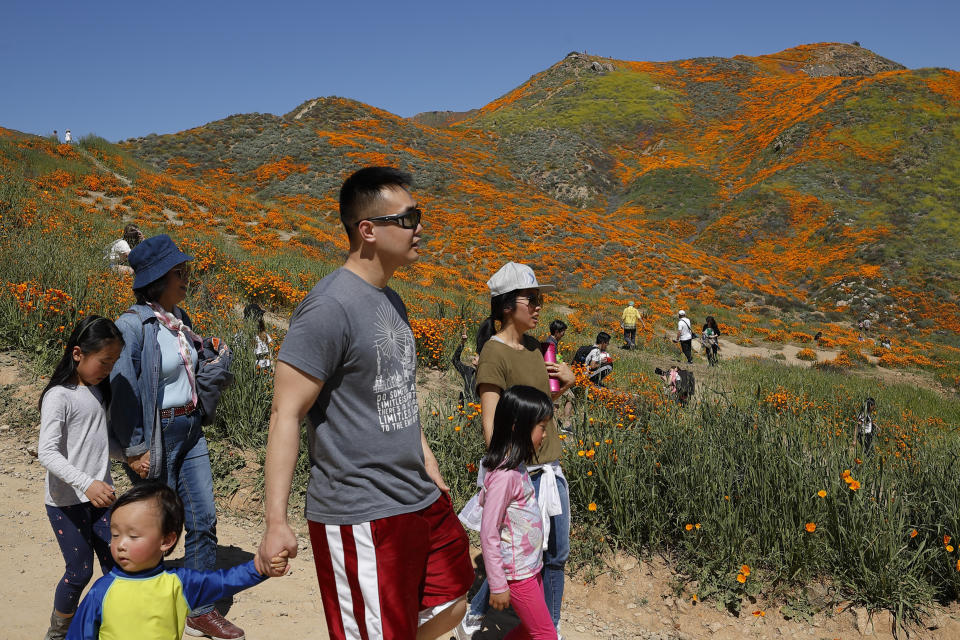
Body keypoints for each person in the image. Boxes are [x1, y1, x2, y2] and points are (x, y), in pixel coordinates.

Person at [256, 167, 474, 640]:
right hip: (362, 510)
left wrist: (428, 464)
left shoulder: (390, 300)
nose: (420, 227)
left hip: (416, 495)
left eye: (419, 215)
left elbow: (394, 392)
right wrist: (276, 521)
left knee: (455, 599)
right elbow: (285, 414)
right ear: (368, 230)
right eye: (409, 217)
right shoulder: (329, 306)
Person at [109, 234, 240, 639]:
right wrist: (134, 448)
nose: (185, 279)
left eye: (184, 272)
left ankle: (198, 609)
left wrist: (209, 357)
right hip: (157, 433)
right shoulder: (132, 326)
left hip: (190, 428)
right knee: (155, 526)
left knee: (204, 518)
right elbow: (122, 388)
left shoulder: (178, 318)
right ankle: (141, 602)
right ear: (158, 278)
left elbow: (185, 369)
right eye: (178, 273)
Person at [458, 261, 575, 639]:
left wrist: (572, 381)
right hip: (521, 474)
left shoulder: (536, 348)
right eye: (533, 299)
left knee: (555, 555)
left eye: (540, 298)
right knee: (526, 560)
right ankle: (491, 617)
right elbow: (491, 424)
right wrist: (505, 477)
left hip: (550, 467)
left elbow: (541, 409)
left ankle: (546, 628)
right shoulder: (494, 354)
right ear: (508, 304)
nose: (540, 306)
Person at [66, 483, 287, 640]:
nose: (121, 544)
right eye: (115, 535)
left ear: (167, 540)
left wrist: (260, 568)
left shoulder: (179, 584)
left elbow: (225, 581)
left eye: (133, 536)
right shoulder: (102, 591)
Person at [37, 316, 125, 640]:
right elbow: (47, 453)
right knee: (79, 572)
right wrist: (85, 482)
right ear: (78, 354)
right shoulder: (59, 396)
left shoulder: (98, 392)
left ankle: (109, 628)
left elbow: (99, 442)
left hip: (100, 498)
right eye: (104, 361)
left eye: (113, 362)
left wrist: (128, 456)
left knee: (117, 568)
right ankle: (58, 634)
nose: (108, 369)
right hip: (67, 503)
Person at [479, 386, 557, 640]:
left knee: (529, 630)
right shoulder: (504, 476)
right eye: (541, 427)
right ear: (517, 426)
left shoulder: (516, 466)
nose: (544, 435)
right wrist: (498, 583)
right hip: (518, 573)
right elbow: (488, 532)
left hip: (530, 568)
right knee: (545, 634)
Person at [542, 320, 574, 434]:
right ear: (556, 331)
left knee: (566, 398)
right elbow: (551, 362)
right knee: (558, 403)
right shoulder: (550, 343)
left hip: (556, 377)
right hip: (555, 378)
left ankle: (563, 425)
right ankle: (557, 429)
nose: (564, 334)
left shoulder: (552, 342)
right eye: (563, 332)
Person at [452, 330, 479, 407]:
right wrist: (462, 343)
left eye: (478, 356)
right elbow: (455, 360)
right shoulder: (469, 371)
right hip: (466, 412)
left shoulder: (487, 377)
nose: (475, 357)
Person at [243, 303, 273, 369]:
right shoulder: (242, 337)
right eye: (256, 317)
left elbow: (270, 356)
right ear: (248, 320)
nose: (259, 319)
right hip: (254, 373)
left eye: (260, 317)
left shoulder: (265, 335)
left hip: (267, 372)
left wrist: (273, 371)